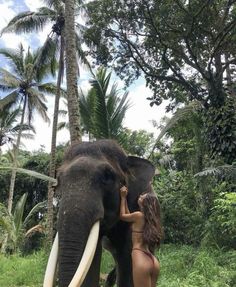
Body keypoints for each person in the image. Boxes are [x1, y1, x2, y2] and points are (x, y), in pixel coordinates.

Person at [119, 186, 163, 287]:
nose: (141, 195)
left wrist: (122, 198)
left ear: (145, 203)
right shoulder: (150, 220)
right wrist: (125, 199)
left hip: (140, 258)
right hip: (152, 259)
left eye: (143, 196)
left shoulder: (138, 215)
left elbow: (123, 216)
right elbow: (129, 215)